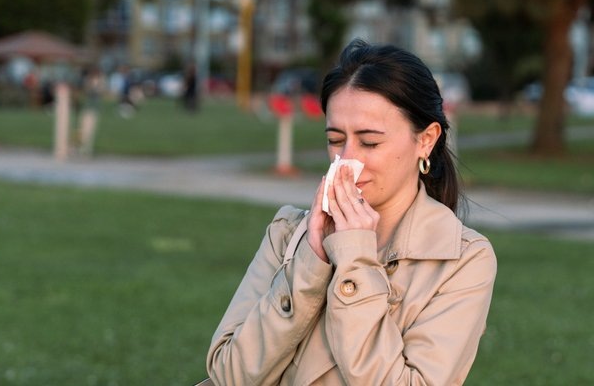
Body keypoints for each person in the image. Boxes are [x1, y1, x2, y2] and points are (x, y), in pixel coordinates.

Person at [206, 39, 497, 385]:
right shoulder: (288, 233)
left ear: (426, 140)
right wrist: (310, 265)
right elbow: (228, 376)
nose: (347, 159)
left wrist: (355, 260)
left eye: (370, 142)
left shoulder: (462, 260)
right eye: (335, 140)